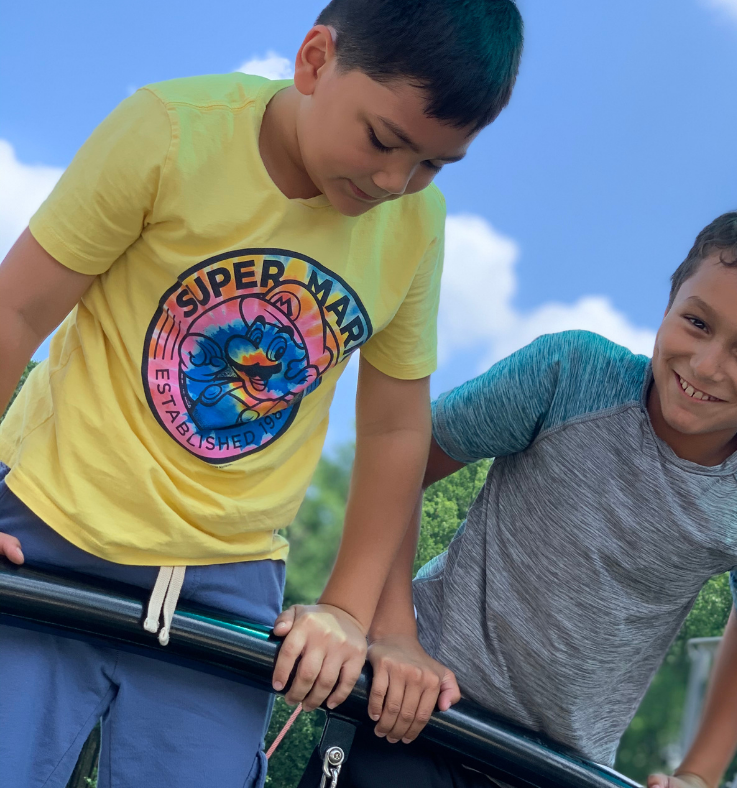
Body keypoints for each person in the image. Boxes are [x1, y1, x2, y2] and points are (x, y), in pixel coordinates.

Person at [0, 1, 523, 786]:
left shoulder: (416, 223)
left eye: (432, 164)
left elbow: (392, 429)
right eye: (383, 139)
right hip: (53, 526)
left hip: (229, 577)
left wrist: (347, 609)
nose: (394, 180)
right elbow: (17, 309)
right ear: (316, 59)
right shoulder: (169, 132)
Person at [343, 178, 737, 788]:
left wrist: (700, 772)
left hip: (562, 768)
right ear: (669, 305)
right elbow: (404, 460)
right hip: (420, 704)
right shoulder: (568, 374)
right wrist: (394, 631)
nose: (707, 364)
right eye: (696, 322)